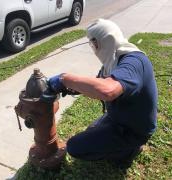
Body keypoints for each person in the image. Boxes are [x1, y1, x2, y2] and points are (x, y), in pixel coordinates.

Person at [47, 19, 158, 167]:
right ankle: (116, 140)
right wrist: (73, 87)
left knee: (75, 147)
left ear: (108, 40)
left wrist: (64, 79)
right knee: (91, 132)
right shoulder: (113, 60)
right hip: (119, 118)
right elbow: (99, 82)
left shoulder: (134, 62)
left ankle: (129, 150)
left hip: (133, 130)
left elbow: (107, 90)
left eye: (95, 44)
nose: (94, 49)